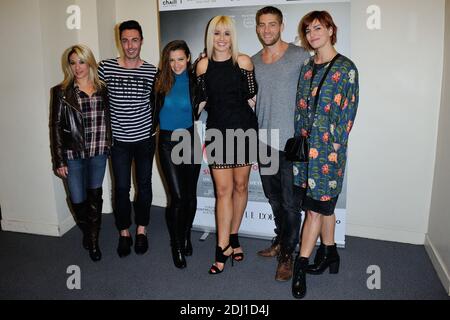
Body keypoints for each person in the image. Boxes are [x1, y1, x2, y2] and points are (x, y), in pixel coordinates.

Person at [291, 11, 359, 299]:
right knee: (323, 206)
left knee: (315, 210)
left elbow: (348, 117)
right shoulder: (307, 68)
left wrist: (330, 152)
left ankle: (300, 266)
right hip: (306, 152)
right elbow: (301, 112)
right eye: (308, 30)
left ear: (331, 30)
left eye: (318, 28)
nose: (312, 34)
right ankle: (330, 254)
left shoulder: (346, 68)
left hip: (328, 156)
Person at [195, 16, 258, 274]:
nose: (222, 39)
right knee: (223, 191)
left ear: (233, 37)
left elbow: (252, 99)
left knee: (241, 186)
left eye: (227, 33)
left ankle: (234, 237)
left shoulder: (243, 62)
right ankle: (221, 249)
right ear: (211, 36)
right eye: (217, 33)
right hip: (217, 133)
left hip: (243, 131)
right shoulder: (202, 66)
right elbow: (200, 102)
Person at [252, 6, 310, 281]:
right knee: (274, 198)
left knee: (290, 203)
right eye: (262, 25)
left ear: (281, 25)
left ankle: (288, 252)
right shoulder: (252, 61)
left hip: (290, 143)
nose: (267, 30)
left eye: (272, 24)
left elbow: (311, 96)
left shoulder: (299, 56)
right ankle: (280, 240)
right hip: (264, 141)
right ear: (257, 27)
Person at [98, 20, 157, 258]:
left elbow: (159, 101)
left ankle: (142, 229)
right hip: (119, 141)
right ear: (119, 41)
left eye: (134, 40)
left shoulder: (152, 70)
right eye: (125, 40)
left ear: (141, 40)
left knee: (144, 186)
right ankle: (124, 232)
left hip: (144, 139)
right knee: (121, 188)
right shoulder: (106, 68)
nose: (130, 45)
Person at [50, 44, 111, 262]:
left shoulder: (103, 88)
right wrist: (58, 159)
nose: (77, 67)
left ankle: (93, 242)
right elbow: (55, 126)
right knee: (77, 198)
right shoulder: (62, 92)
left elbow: (109, 120)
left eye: (81, 62)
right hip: (73, 154)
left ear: (90, 62)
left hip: (98, 151)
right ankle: (88, 231)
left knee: (95, 197)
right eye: (73, 63)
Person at [154, 40, 201, 269]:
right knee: (178, 197)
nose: (176, 64)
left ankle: (186, 235)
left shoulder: (196, 80)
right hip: (166, 142)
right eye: (171, 60)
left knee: (191, 196)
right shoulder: (160, 80)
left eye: (180, 59)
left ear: (188, 58)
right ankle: (176, 244)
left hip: (190, 140)